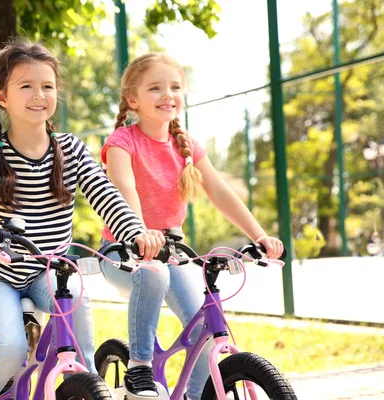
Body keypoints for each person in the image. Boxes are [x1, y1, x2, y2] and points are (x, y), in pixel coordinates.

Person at [0, 39, 164, 400]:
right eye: (26, 86)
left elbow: (106, 195)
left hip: (52, 270)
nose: (39, 95)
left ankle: (80, 389)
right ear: (2, 97)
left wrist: (136, 232)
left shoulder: (71, 150)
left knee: (79, 340)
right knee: (11, 352)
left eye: (47, 86)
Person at [99, 52, 284, 400]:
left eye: (175, 87)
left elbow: (220, 191)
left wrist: (259, 236)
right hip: (123, 252)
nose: (167, 94)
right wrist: (139, 231)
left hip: (171, 253)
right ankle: (139, 368)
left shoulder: (187, 147)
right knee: (154, 273)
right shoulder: (122, 142)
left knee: (204, 329)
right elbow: (125, 188)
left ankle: (192, 396)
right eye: (155, 88)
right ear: (132, 100)